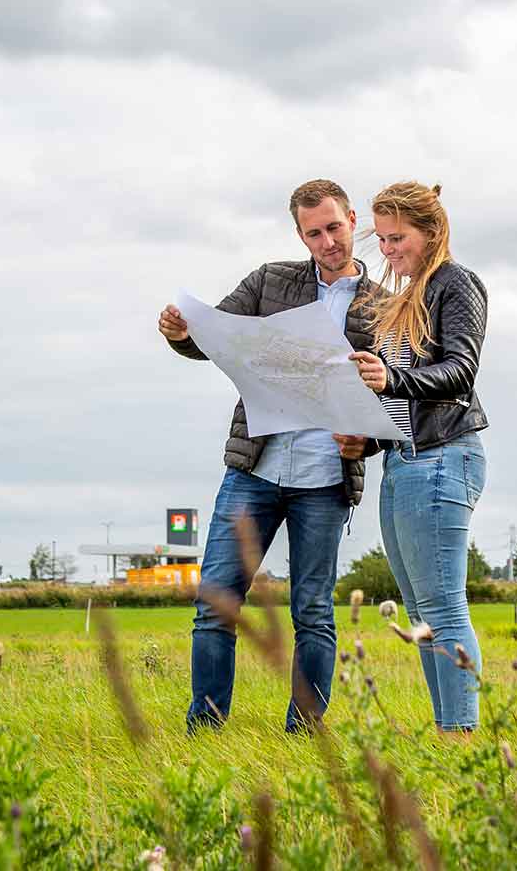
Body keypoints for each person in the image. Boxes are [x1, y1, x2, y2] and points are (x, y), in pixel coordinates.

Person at [157, 179, 381, 733]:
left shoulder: (386, 306)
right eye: (314, 233)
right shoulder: (270, 281)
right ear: (299, 235)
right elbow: (215, 334)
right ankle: (205, 728)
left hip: (326, 478)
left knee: (313, 614)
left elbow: (394, 399)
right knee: (216, 605)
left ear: (352, 219)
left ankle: (305, 733)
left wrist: (367, 443)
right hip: (254, 469)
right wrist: (181, 334)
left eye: (334, 227)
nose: (327, 241)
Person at [348, 182, 490, 732]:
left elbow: (458, 372)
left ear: (432, 233)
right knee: (421, 616)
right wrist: (370, 440)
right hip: (403, 462)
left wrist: (392, 377)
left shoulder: (456, 284)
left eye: (397, 237)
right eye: (381, 240)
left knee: (445, 609)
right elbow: (406, 407)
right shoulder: (404, 297)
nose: (387, 250)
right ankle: (446, 729)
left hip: (443, 459)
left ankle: (461, 734)